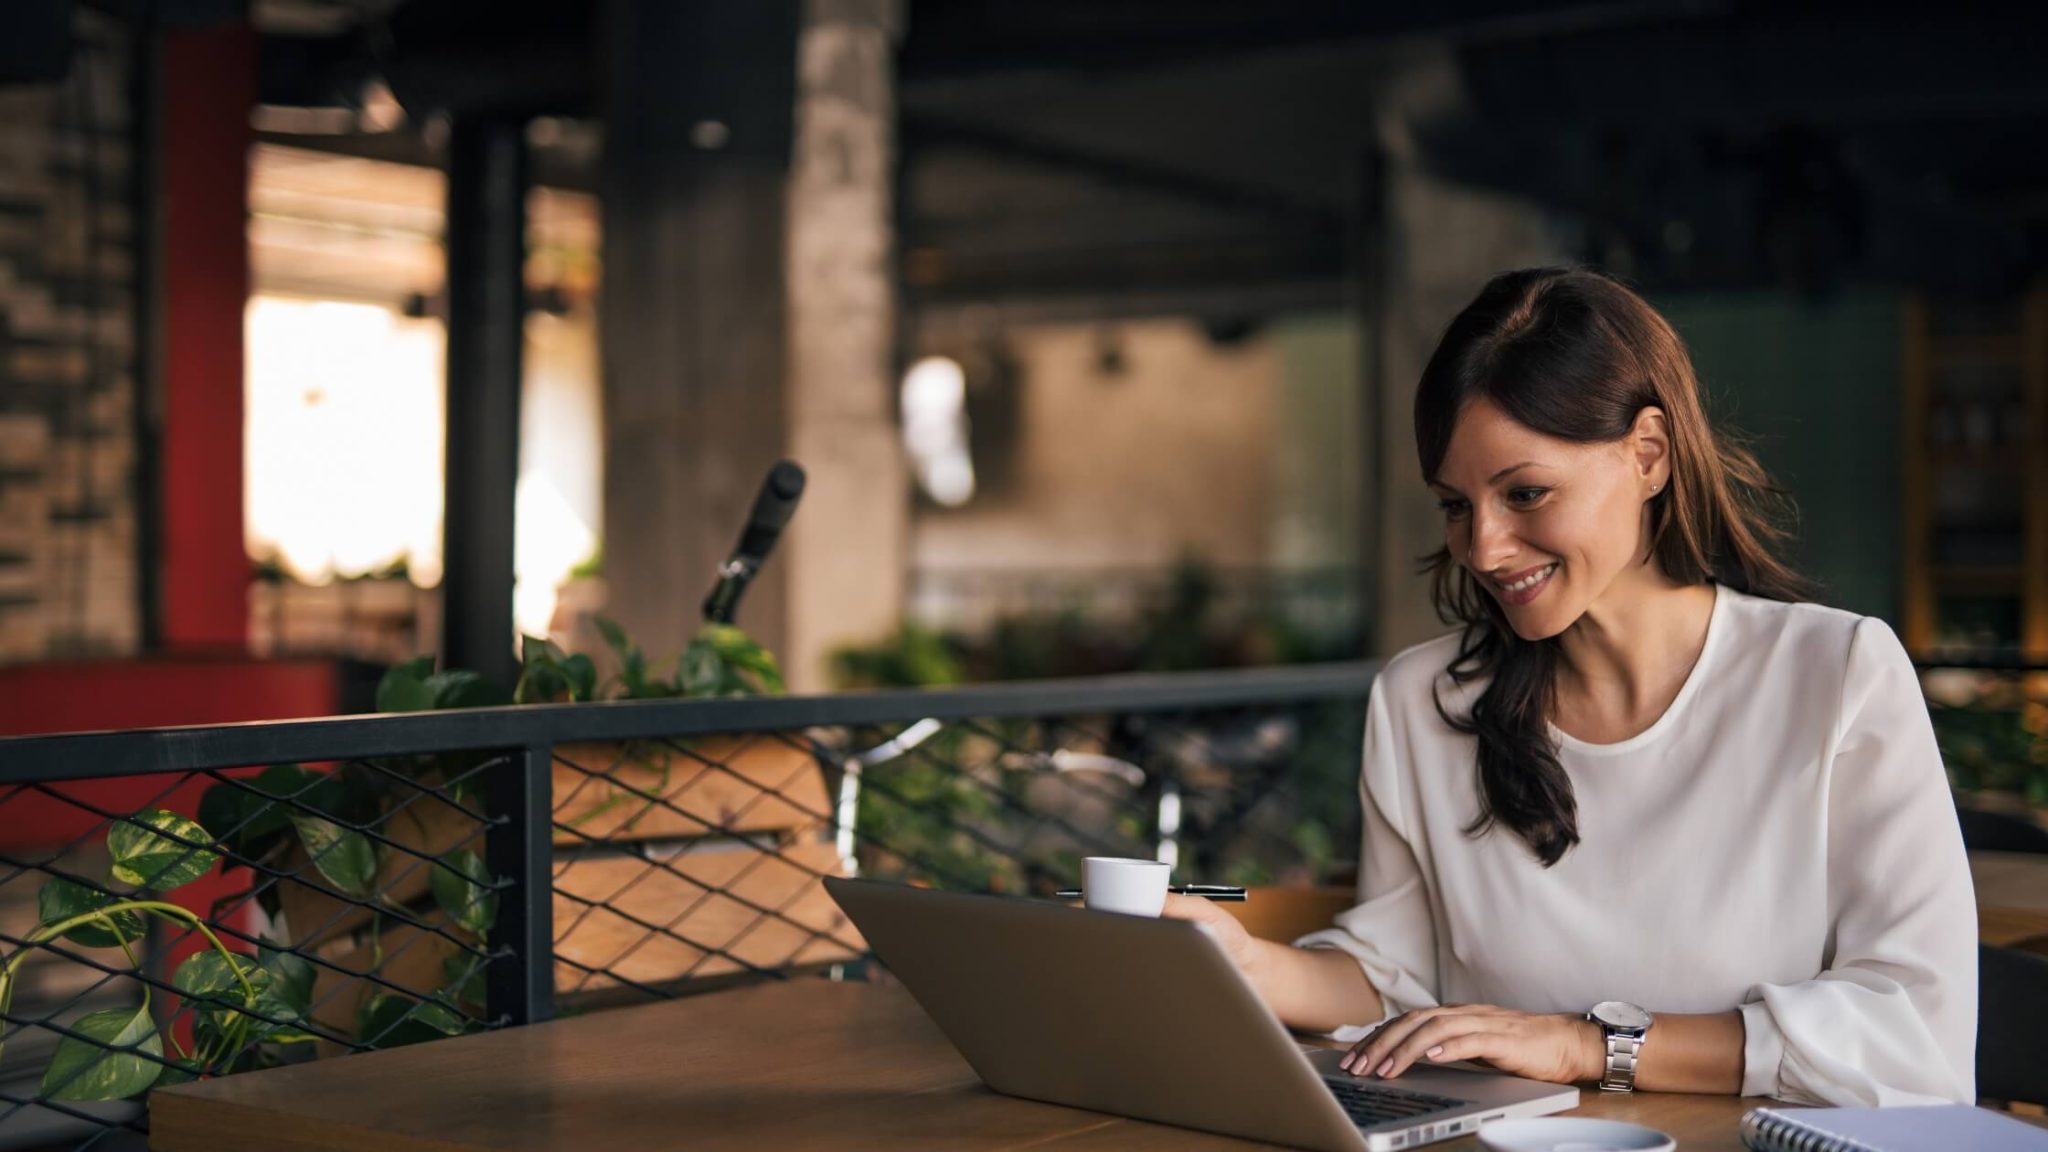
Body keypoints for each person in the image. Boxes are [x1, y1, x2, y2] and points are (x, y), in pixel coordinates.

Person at [1162, 267, 1975, 1106]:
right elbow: (1394, 976)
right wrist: (1243, 963)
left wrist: (1586, 1047)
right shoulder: (1422, 701)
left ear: (1648, 455)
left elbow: (1915, 1036)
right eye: (1454, 505)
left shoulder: (1836, 675)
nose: (1483, 548)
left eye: (1525, 493)